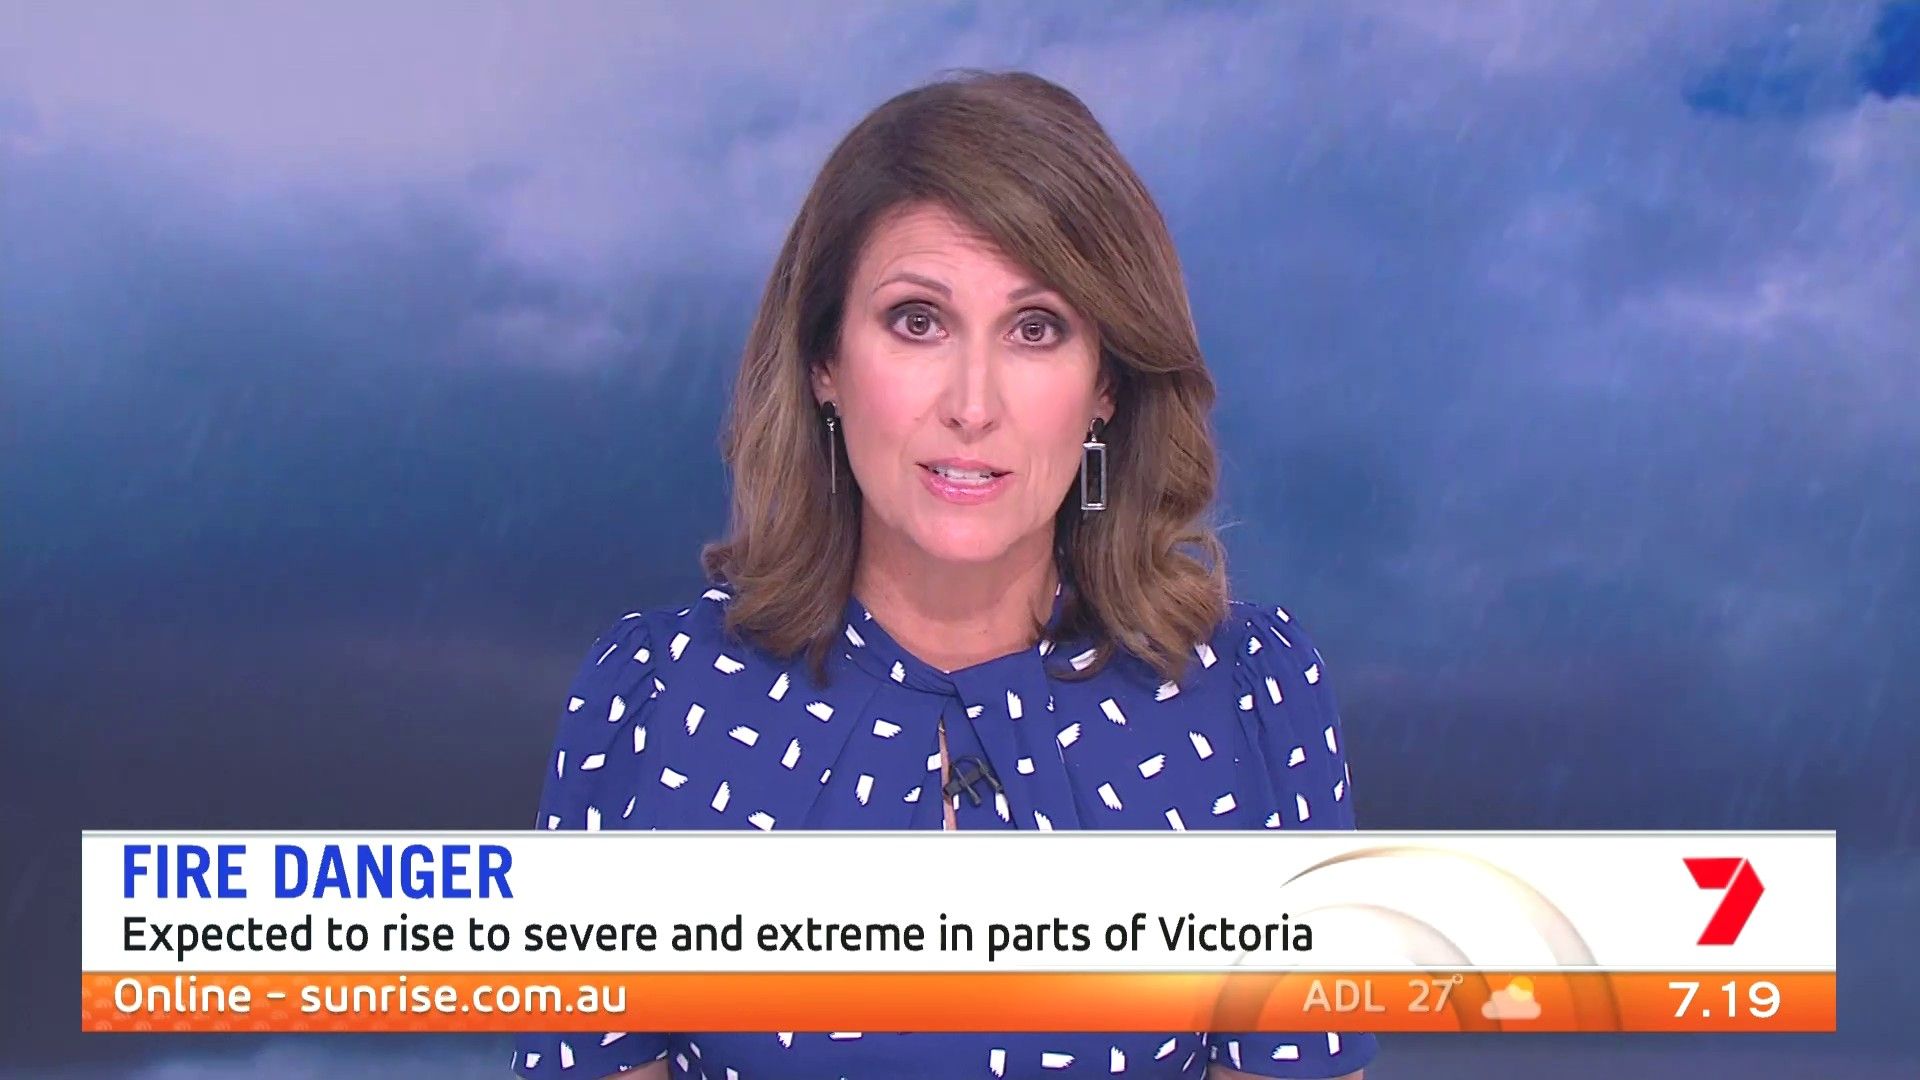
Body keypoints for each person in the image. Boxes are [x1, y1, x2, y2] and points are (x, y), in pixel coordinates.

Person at [512, 69, 1375, 1080]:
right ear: (825, 362)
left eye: (1036, 328)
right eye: (918, 321)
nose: (972, 404)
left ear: (1106, 382)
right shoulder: (653, 702)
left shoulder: (1251, 703)